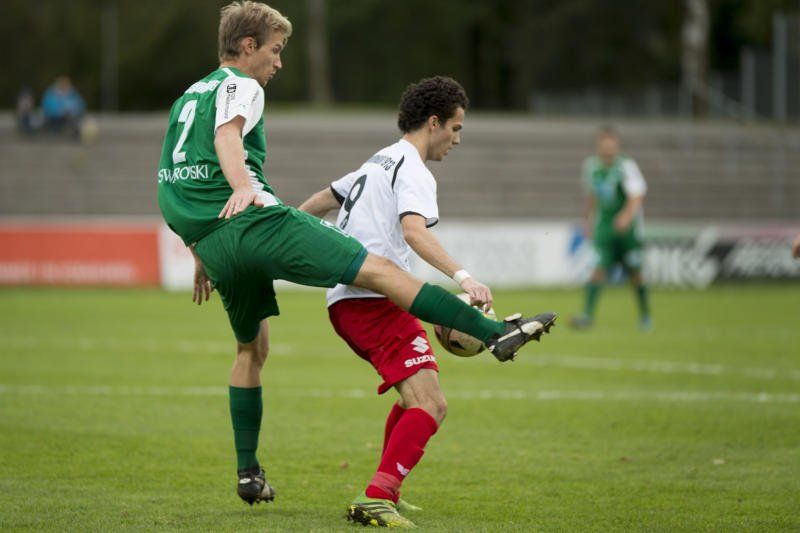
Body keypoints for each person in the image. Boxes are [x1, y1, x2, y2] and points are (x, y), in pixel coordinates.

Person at [157, 0, 555, 511]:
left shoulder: (186, 98)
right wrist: (242, 190)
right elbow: (228, 136)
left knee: (250, 351)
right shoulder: (242, 84)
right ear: (248, 46)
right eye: (275, 50)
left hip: (213, 239)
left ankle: (249, 472)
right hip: (253, 220)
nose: (278, 62)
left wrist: (199, 247)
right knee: (381, 271)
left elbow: (172, 180)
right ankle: (495, 333)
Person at [298, 76, 548, 528]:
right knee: (431, 405)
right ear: (434, 123)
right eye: (455, 128)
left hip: (361, 298)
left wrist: (284, 234)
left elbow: (322, 200)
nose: (457, 139)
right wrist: (464, 277)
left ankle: (387, 490)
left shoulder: (379, 159)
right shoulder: (413, 169)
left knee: (416, 399)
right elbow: (414, 231)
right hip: (370, 300)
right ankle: (377, 495)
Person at [570, 126, 651, 330]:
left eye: (611, 144)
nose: (608, 148)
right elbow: (591, 195)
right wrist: (587, 221)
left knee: (635, 273)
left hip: (628, 231)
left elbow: (637, 194)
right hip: (605, 227)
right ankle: (587, 316)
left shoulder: (626, 166)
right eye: (604, 144)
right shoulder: (591, 166)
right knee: (597, 270)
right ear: (599, 146)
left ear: (617, 145)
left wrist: (626, 216)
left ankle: (645, 316)